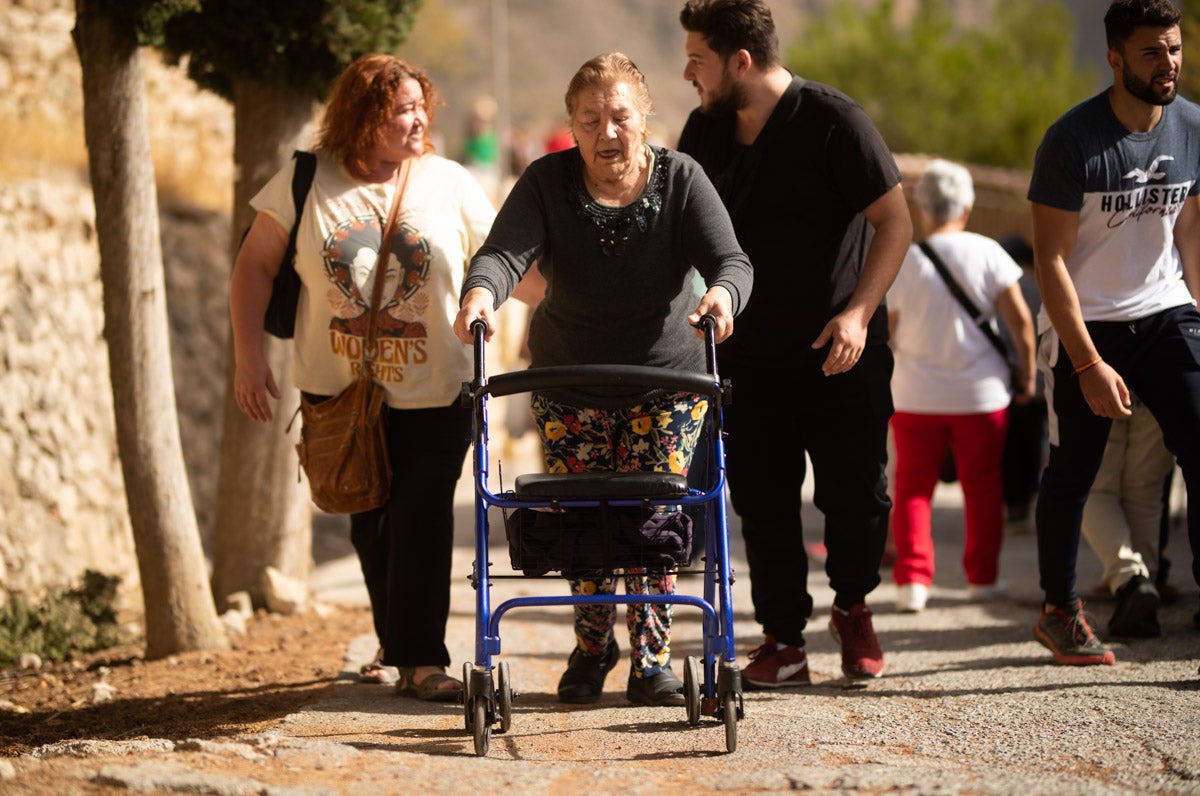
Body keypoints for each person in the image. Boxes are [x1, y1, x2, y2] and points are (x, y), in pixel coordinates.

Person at [453, 52, 753, 707]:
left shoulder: (682, 181)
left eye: (620, 116)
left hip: (666, 384)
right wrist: (481, 295)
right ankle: (592, 649)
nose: (606, 131)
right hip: (569, 383)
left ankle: (652, 662)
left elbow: (729, 260)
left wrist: (723, 297)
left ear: (644, 117)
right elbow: (504, 254)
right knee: (583, 521)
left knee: (652, 519)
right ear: (573, 124)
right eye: (590, 119)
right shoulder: (545, 181)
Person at [230, 54, 497, 700]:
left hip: (437, 385)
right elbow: (254, 268)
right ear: (360, 116)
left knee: (422, 517)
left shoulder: (449, 182)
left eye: (419, 106)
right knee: (368, 519)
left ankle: (422, 660)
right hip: (337, 389)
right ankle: (400, 638)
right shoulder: (305, 179)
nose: (417, 119)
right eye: (399, 109)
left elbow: (501, 260)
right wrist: (247, 355)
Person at [677, 0, 913, 685]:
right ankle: (784, 640)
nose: (688, 72)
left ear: (740, 62)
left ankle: (852, 605)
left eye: (699, 58)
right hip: (748, 359)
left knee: (859, 495)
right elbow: (680, 225)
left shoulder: (835, 121)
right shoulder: (705, 129)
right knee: (763, 500)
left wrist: (859, 315)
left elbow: (894, 223)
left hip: (841, 352)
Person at [1027, 0, 1200, 665]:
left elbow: (1189, 232)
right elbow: (1050, 261)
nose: (1169, 64)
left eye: (1176, 49)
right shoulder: (1072, 141)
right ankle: (1059, 611)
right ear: (1116, 58)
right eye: (1153, 52)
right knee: (1072, 472)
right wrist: (1087, 362)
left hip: (1164, 311)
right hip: (1088, 320)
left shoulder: (1191, 127)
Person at [887, 159, 1036, 613]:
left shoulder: (907, 258)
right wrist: (1027, 376)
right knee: (983, 486)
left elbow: (889, 329)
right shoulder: (990, 252)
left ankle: (912, 581)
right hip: (980, 394)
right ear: (966, 207)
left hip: (914, 394)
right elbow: (1021, 323)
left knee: (912, 487)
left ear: (923, 209)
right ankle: (982, 580)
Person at [1080, 395, 1175, 638]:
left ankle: (1131, 578)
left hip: (1103, 381)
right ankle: (1144, 587)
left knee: (1094, 488)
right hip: (1160, 384)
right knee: (1145, 489)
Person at [998, 234, 1049, 526]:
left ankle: (1015, 503)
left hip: (1015, 377)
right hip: (1046, 378)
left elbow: (1007, 333)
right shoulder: (1044, 287)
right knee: (1036, 441)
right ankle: (1028, 498)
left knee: (1013, 443)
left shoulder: (1009, 289)